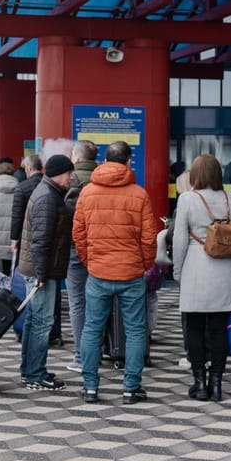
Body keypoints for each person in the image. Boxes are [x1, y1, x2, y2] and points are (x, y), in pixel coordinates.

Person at [72, 141, 158, 405]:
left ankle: (90, 388)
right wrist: (143, 264)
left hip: (98, 273)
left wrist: (90, 262)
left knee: (92, 329)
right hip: (131, 273)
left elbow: (79, 234)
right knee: (134, 330)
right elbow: (149, 238)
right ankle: (131, 388)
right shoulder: (139, 194)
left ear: (104, 160)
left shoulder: (87, 193)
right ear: (129, 161)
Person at [172, 154, 231, 402]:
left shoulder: (187, 199)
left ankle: (199, 382)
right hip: (225, 270)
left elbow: (180, 240)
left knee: (193, 326)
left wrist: (178, 272)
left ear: (195, 175)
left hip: (195, 266)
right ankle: (217, 383)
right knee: (218, 328)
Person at [17, 154, 75, 391]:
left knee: (34, 321)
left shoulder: (46, 193)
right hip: (42, 271)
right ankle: (35, 374)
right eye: (69, 173)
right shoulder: (48, 199)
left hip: (38, 268)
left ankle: (29, 370)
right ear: (59, 173)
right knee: (42, 322)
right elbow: (41, 241)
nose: (72, 177)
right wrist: (42, 274)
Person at [63, 140, 97, 373]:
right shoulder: (105, 177)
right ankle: (103, 348)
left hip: (76, 248)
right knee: (100, 300)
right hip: (102, 248)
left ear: (76, 157)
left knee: (78, 302)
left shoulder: (70, 180)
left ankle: (81, 356)